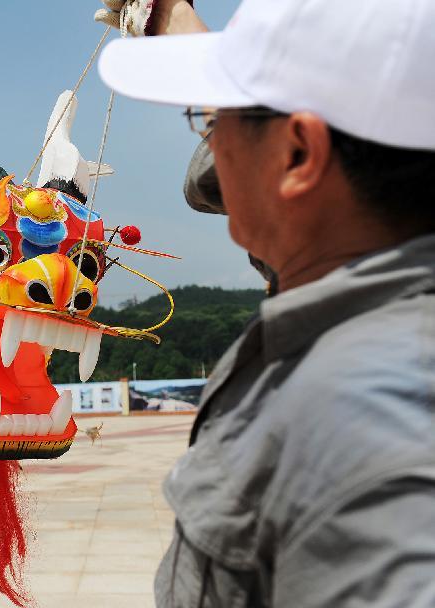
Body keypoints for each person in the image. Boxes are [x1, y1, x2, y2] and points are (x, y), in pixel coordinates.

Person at [97, 0, 435, 605]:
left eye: (210, 117)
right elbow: (281, 198)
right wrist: (170, 18)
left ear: (300, 154)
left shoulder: (372, 419)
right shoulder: (345, 267)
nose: (211, 142)